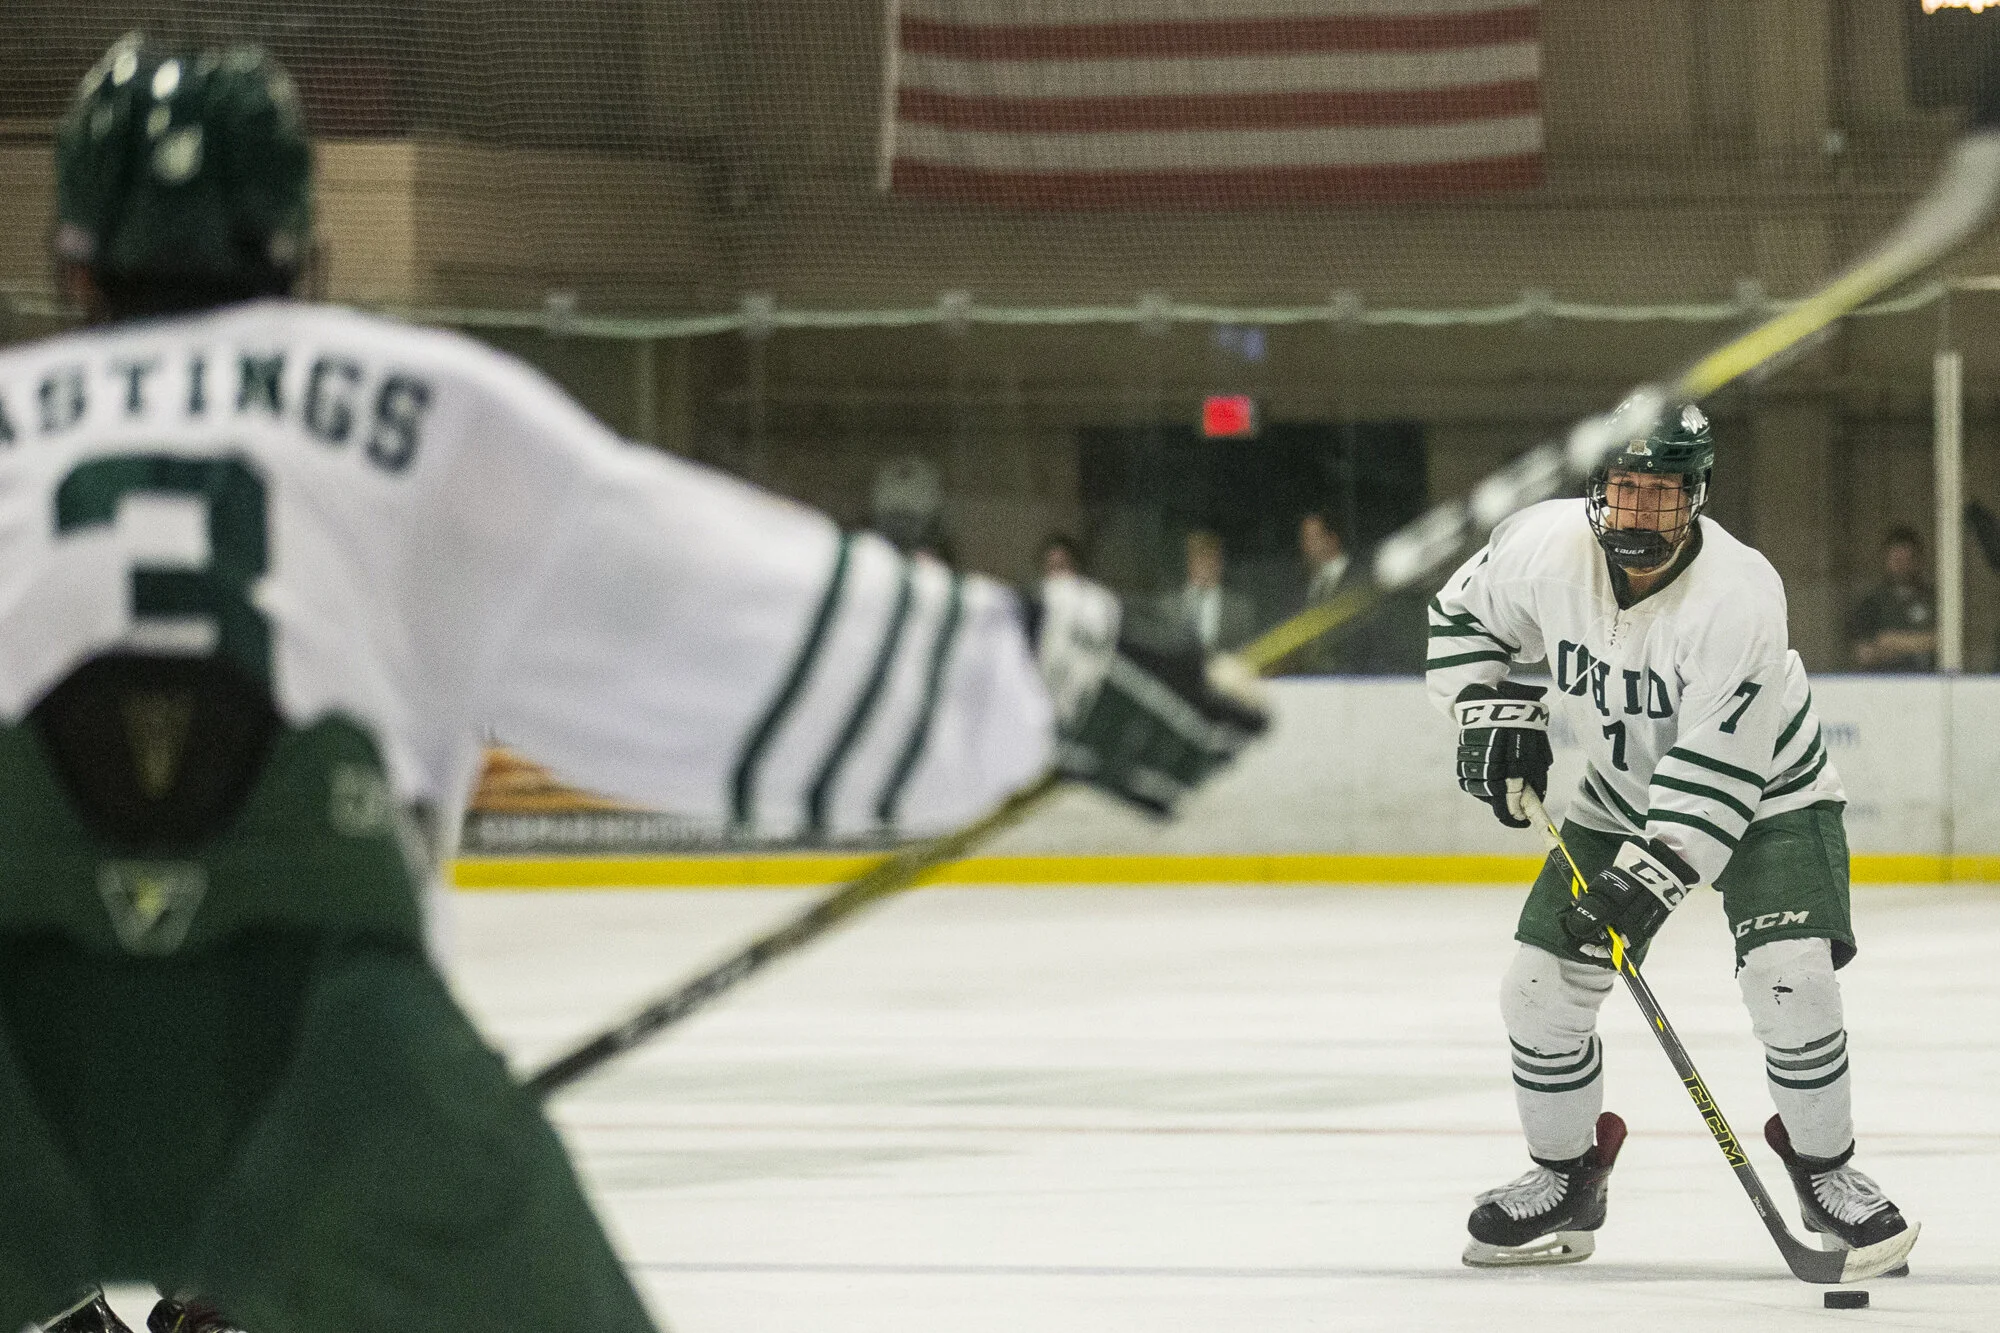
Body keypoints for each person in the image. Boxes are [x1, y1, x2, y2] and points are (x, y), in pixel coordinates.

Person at [1, 35, 1266, 1333]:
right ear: (305, 255)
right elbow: (720, 619)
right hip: (332, 1081)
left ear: (70, 263)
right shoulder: (414, 413)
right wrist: (1045, 671)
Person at [1427, 402, 1915, 1270]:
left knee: (1790, 978)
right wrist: (1484, 714)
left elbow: (1719, 770)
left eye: (1662, 493)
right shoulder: (1543, 548)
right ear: (1596, 491)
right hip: (1616, 803)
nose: (1640, 512)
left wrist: (1651, 878)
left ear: (1697, 496)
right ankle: (1566, 1176)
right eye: (1625, 490)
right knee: (1538, 990)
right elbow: (1462, 618)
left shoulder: (1739, 594)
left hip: (1773, 799)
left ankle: (1826, 1173)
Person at [1846, 527, 1938, 672]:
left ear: (1919, 560)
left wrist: (1890, 641)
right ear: (1885, 560)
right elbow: (1864, 654)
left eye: (1908, 559)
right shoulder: (1872, 602)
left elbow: (1945, 641)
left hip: (1929, 682)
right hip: (1885, 684)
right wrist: (1920, 643)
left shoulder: (1934, 599)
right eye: (1897, 559)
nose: (1902, 565)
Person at [1154, 528, 1256, 653]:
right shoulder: (1167, 605)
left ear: (1220, 562)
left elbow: (1247, 651)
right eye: (1198, 557)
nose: (1205, 563)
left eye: (1211, 557)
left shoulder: (1239, 609)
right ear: (1188, 561)